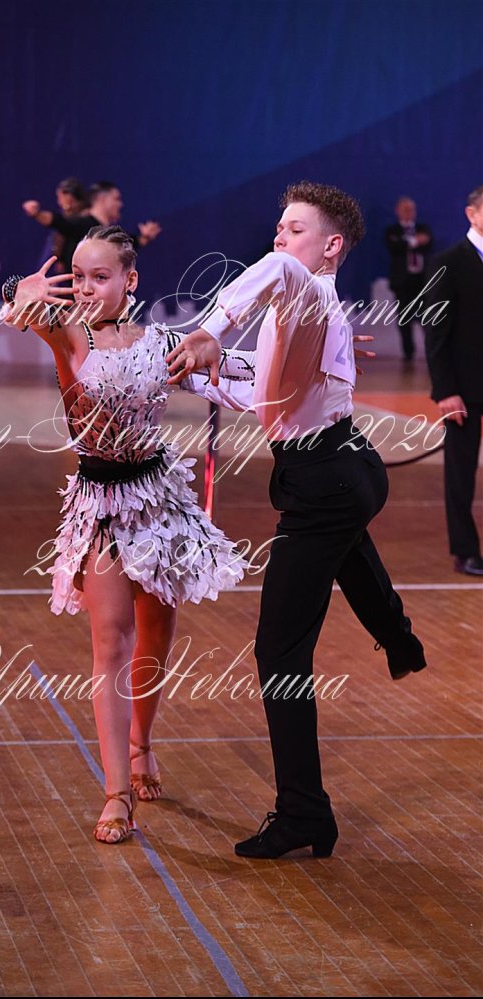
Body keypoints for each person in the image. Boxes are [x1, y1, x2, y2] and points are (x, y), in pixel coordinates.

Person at [167, 181, 427, 860]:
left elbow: (278, 275)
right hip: (347, 471)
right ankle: (399, 639)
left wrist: (208, 332)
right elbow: (266, 392)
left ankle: (303, 812)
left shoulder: (304, 288)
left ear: (332, 246)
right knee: (346, 544)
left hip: (324, 481)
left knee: (278, 652)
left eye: (295, 228)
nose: (280, 239)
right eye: (279, 228)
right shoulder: (313, 308)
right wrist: (192, 367)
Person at [1, 225, 246, 845]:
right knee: (110, 642)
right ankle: (116, 793)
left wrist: (321, 366)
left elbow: (236, 377)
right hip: (102, 503)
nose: (86, 288)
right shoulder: (66, 331)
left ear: (130, 280)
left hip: (158, 499)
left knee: (155, 634)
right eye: (79, 277)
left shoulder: (160, 342)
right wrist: (19, 290)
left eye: (100, 277)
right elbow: (17, 308)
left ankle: (141, 742)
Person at [424, 185, 483, 576]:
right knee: (461, 473)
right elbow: (436, 333)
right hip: (464, 387)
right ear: (471, 214)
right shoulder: (448, 263)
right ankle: (465, 550)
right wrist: (445, 390)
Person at [22, 180, 161, 273]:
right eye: (117, 199)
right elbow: (61, 222)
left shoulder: (108, 233)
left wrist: (144, 238)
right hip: (74, 303)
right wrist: (37, 214)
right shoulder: (83, 225)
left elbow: (127, 243)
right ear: (103, 199)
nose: (121, 204)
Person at [385, 197, 433, 363]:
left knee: (427, 317)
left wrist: (411, 243)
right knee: (405, 318)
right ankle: (408, 353)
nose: (409, 213)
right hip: (402, 282)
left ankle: (432, 350)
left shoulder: (422, 228)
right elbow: (395, 247)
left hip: (421, 280)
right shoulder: (392, 231)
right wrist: (414, 241)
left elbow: (428, 244)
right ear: (398, 211)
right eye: (405, 209)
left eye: (411, 209)